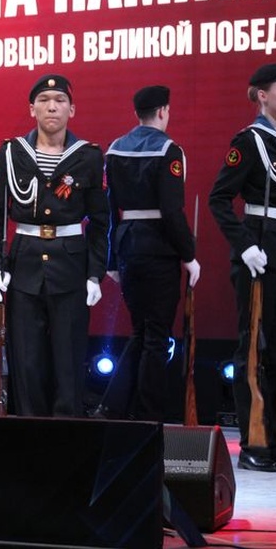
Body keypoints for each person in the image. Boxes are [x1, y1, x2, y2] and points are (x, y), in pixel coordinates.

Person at [0, 74, 110, 417]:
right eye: (43, 100)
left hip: (71, 266)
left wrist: (95, 273)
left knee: (68, 358)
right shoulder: (12, 152)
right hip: (24, 264)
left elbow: (101, 221)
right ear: (32, 109)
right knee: (26, 359)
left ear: (72, 109)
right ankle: (30, 432)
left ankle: (65, 432)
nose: (51, 106)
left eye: (59, 100)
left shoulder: (88, 156)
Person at [208, 63, 276, 473]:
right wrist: (245, 245)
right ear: (262, 95)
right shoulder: (250, 141)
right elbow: (219, 199)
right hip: (260, 252)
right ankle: (253, 443)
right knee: (254, 349)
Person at [94, 85, 200, 422]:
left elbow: (109, 211)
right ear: (163, 111)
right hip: (158, 248)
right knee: (156, 336)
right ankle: (147, 414)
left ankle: (114, 406)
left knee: (142, 331)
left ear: (137, 113)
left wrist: (112, 260)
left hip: (128, 245)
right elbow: (171, 211)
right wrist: (189, 254)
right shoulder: (170, 150)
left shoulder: (114, 150)